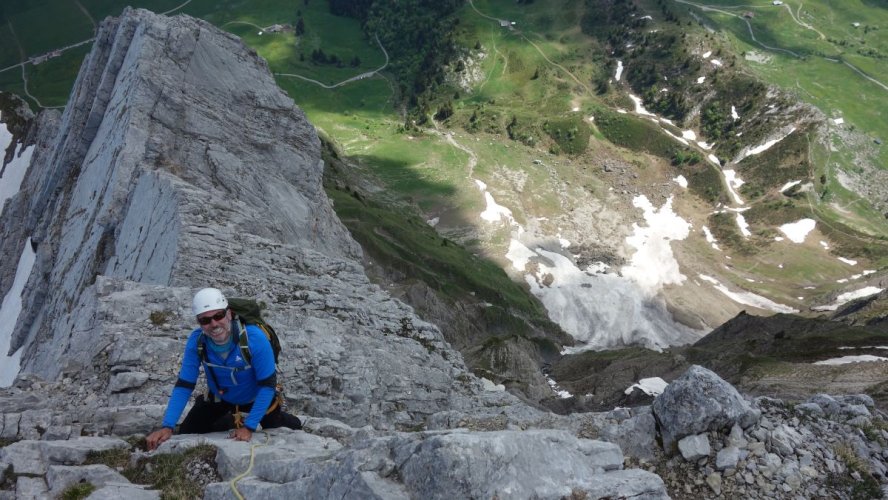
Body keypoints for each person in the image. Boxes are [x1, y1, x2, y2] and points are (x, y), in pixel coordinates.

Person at [146, 288, 301, 451]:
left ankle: (293, 421)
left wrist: (249, 427)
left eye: (218, 316)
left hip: (256, 397)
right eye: (205, 320)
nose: (213, 324)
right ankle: (230, 421)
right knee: (188, 430)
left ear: (229, 314)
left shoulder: (254, 338)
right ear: (199, 323)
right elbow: (185, 384)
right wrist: (168, 425)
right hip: (221, 397)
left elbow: (267, 385)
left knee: (280, 428)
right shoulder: (197, 341)